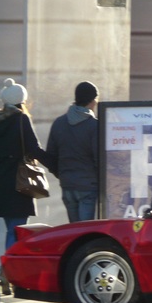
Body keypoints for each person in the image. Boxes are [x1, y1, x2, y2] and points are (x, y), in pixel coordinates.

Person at [0, 78, 53, 293]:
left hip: (2, 179)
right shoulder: (21, 119)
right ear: (21, 100)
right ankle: (8, 272)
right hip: (19, 178)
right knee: (17, 230)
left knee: (11, 229)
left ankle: (8, 272)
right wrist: (56, 166)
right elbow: (34, 148)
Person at [46, 81, 99, 223]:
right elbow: (99, 159)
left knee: (74, 231)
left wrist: (61, 174)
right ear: (93, 100)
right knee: (85, 231)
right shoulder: (94, 126)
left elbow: (51, 155)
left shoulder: (59, 123)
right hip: (88, 186)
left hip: (67, 184)